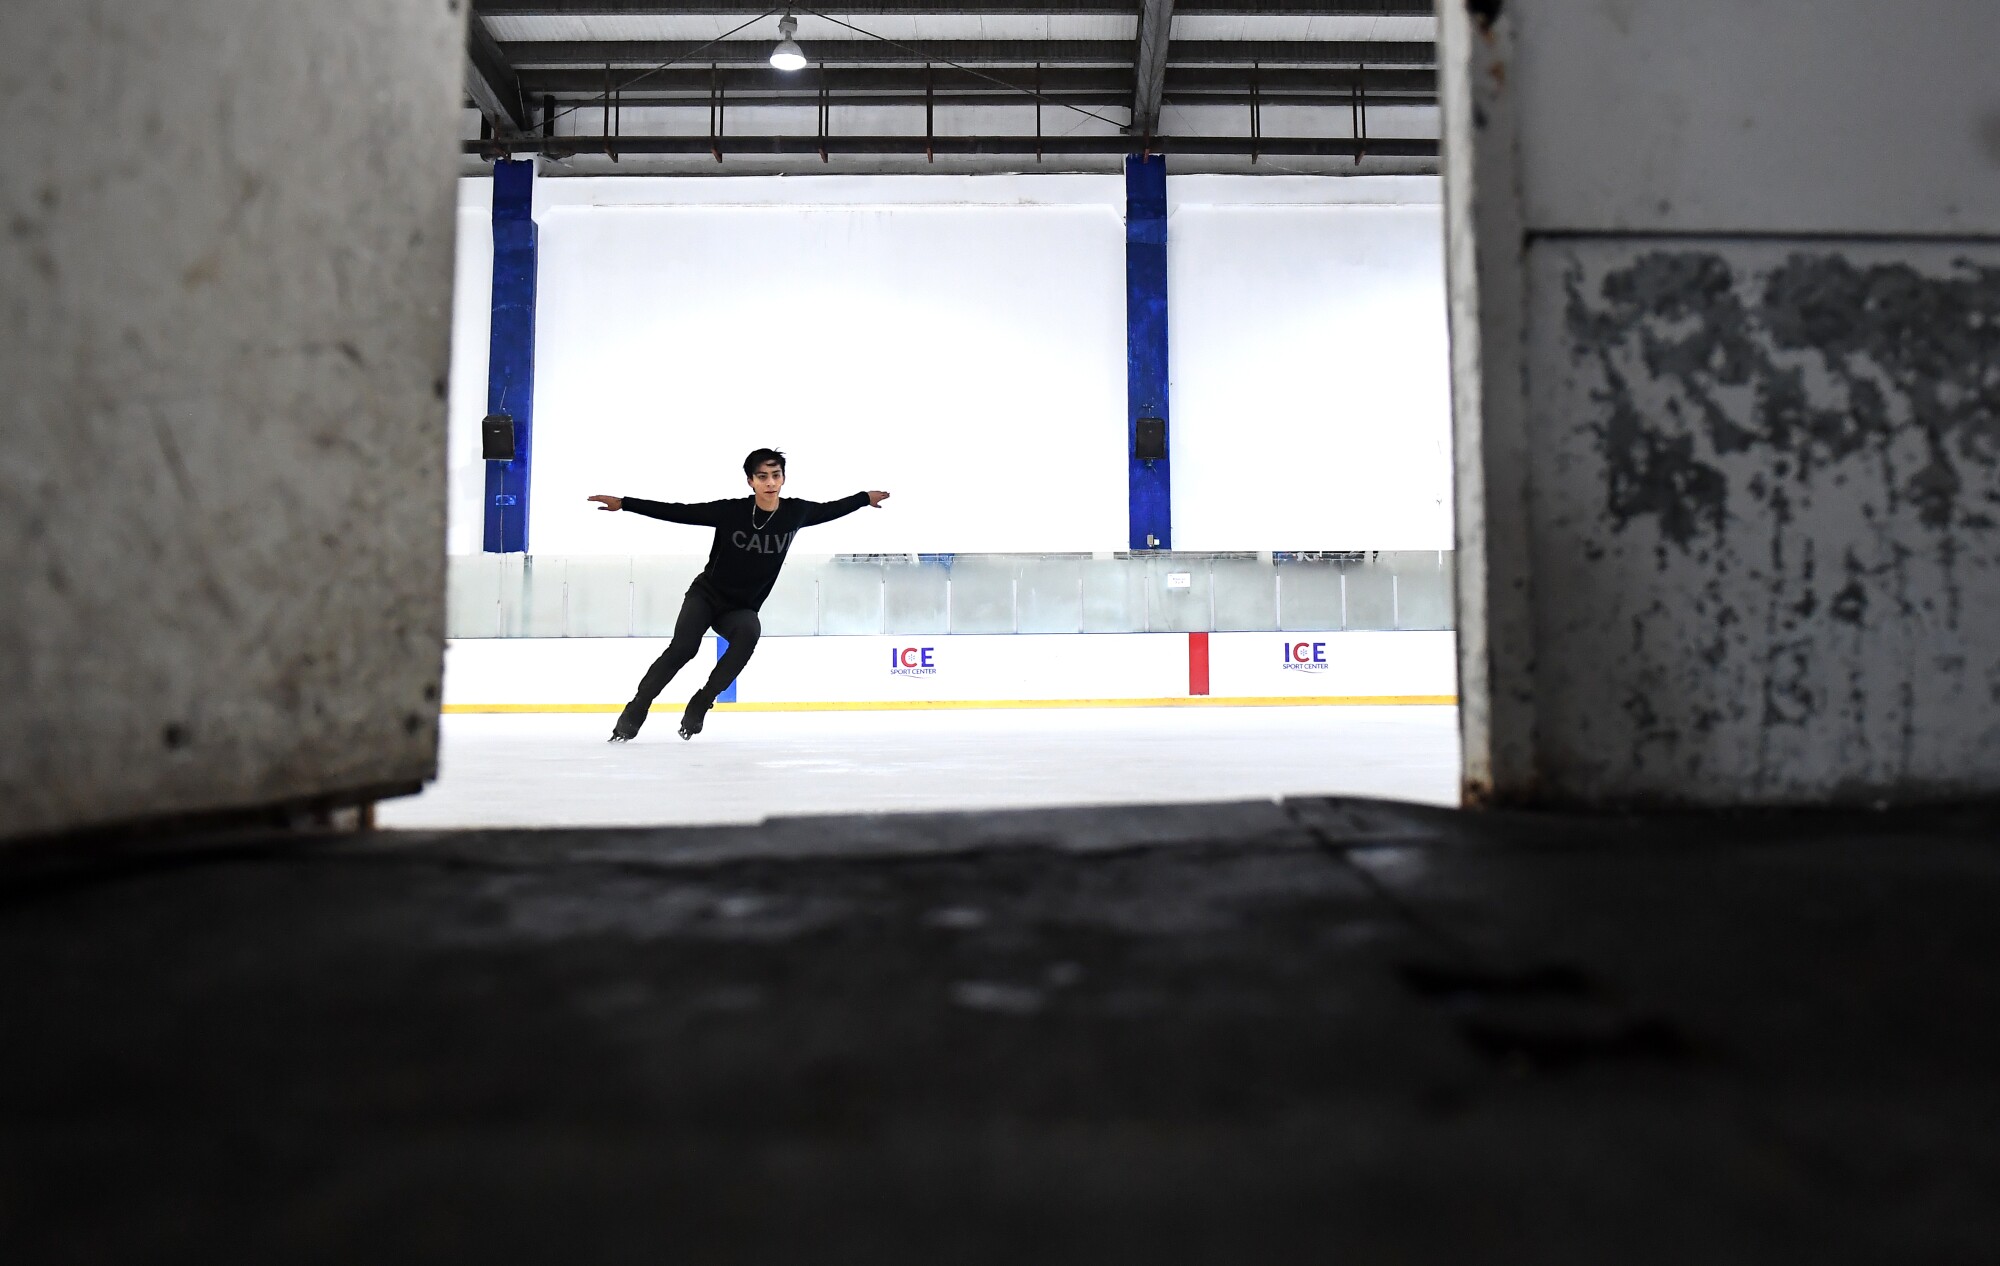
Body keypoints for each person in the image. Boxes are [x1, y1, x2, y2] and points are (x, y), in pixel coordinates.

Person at [588, 448, 890, 741]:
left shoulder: (796, 512)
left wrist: (864, 499)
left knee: (749, 633)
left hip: (741, 608)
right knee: (683, 650)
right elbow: (680, 512)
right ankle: (637, 709)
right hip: (706, 596)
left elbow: (832, 508)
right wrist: (625, 503)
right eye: (762, 477)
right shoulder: (732, 511)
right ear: (751, 481)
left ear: (783, 478)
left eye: (775, 475)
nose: (770, 482)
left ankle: (702, 700)